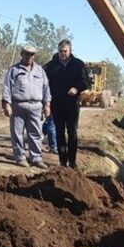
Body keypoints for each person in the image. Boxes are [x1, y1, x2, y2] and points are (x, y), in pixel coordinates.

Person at [2, 46, 51, 168]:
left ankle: (36, 158)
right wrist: (6, 104)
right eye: (27, 54)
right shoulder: (14, 70)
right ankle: (20, 157)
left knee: (35, 133)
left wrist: (47, 105)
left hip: (36, 106)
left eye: (32, 54)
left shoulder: (40, 71)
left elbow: (46, 88)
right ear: (21, 54)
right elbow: (6, 88)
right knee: (17, 133)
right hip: (18, 105)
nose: (30, 57)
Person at [44, 39, 89, 168]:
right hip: (57, 104)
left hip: (72, 104)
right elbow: (43, 82)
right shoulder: (51, 66)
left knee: (72, 132)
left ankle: (72, 162)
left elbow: (86, 82)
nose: (62, 53)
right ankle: (62, 162)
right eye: (60, 51)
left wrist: (77, 88)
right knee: (59, 132)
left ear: (70, 50)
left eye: (65, 51)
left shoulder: (78, 65)